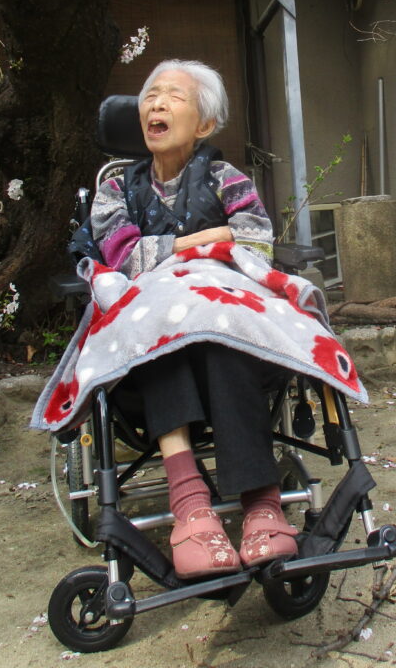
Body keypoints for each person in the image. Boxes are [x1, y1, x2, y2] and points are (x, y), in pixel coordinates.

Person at [89, 59, 298, 579]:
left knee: (221, 334)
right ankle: (190, 505)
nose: (156, 104)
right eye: (150, 95)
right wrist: (208, 240)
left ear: (204, 124)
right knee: (160, 332)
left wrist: (185, 251)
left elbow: (255, 246)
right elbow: (121, 256)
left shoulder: (228, 180)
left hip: (225, 328)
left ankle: (262, 504)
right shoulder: (115, 190)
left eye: (174, 96)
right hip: (149, 345)